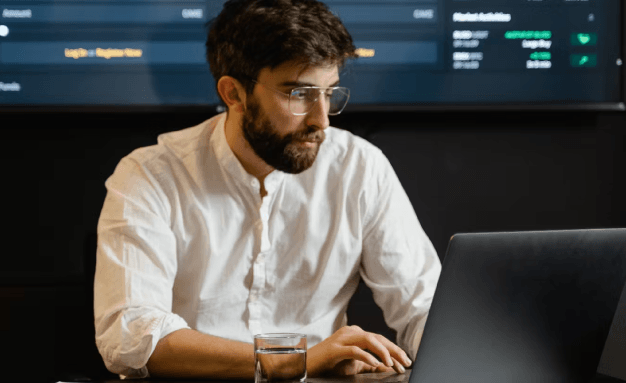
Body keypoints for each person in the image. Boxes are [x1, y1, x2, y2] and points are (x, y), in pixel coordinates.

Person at [94, 0, 441, 379]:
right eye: (299, 94)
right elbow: (130, 335)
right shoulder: (150, 174)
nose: (321, 120)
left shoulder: (359, 167)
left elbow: (427, 309)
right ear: (234, 94)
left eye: (329, 93)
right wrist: (293, 361)